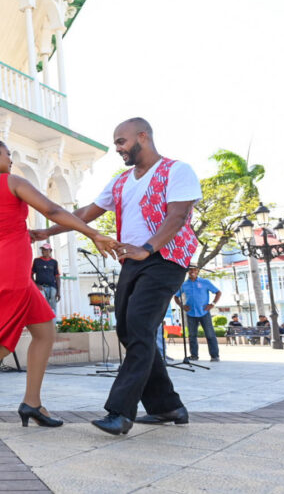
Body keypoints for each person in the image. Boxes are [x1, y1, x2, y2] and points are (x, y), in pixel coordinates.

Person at [0, 127, 118, 428]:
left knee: (44, 332)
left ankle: (32, 403)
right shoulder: (11, 181)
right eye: (7, 154)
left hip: (0, 263)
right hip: (11, 270)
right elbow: (52, 209)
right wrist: (92, 233)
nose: (11, 160)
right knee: (1, 343)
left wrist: (16, 233)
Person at [31, 117, 202, 435]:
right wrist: (46, 231)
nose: (118, 149)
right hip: (134, 261)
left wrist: (147, 248)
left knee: (138, 327)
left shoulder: (177, 171)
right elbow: (84, 214)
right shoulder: (121, 182)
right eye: (115, 144)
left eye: (121, 142)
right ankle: (167, 405)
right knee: (127, 329)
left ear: (143, 137)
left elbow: (177, 216)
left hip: (166, 259)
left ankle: (120, 412)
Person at [174, 265, 222, 362]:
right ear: (188, 271)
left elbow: (218, 292)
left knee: (210, 334)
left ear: (197, 271)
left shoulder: (205, 282)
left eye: (194, 269)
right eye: (190, 270)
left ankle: (214, 356)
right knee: (192, 336)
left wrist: (212, 304)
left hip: (204, 312)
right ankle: (194, 356)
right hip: (191, 313)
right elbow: (176, 296)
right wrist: (182, 306)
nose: (192, 271)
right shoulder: (184, 284)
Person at [32, 243, 60, 312]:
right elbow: (30, 274)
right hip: (41, 287)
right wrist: (35, 285)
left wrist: (58, 292)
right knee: (42, 306)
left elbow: (57, 277)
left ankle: (53, 322)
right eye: (43, 250)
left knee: (53, 308)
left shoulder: (54, 262)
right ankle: (44, 322)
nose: (43, 251)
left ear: (50, 251)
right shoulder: (37, 261)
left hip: (52, 287)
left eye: (46, 250)